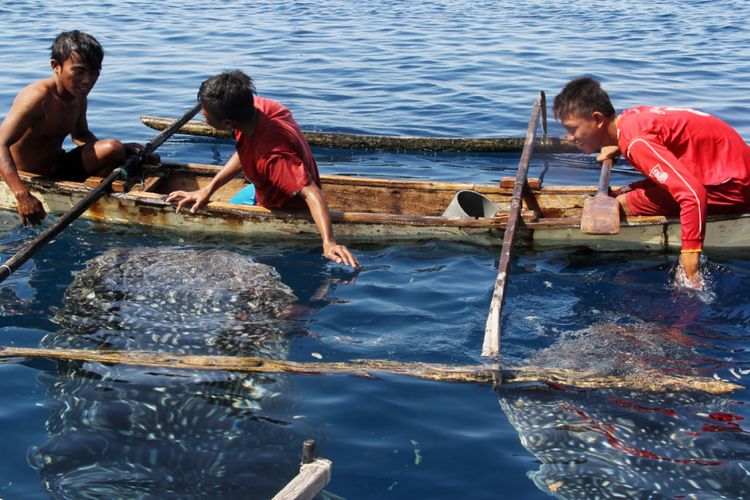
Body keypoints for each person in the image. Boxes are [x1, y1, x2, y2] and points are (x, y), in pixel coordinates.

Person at [553, 77, 750, 288]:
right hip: (726, 172)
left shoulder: (636, 143)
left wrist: (690, 256)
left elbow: (693, 194)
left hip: (733, 188)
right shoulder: (630, 119)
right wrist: (616, 146)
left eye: (573, 129)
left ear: (598, 119)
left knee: (621, 204)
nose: (570, 138)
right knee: (620, 193)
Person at [166, 70, 359, 268]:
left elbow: (312, 193)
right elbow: (246, 153)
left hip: (282, 205)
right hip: (259, 189)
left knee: (218, 246)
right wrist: (208, 189)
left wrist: (328, 242)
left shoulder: (272, 156)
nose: (203, 118)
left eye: (206, 116)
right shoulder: (257, 109)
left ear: (227, 123)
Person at [0, 30, 147, 226]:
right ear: (56, 66)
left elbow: (80, 134)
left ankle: (94, 196)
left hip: (58, 165)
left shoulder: (78, 97)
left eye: (94, 73)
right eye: (79, 71)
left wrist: (125, 152)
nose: (87, 81)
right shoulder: (36, 98)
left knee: (113, 148)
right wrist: (22, 195)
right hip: (28, 176)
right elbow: (1, 144)